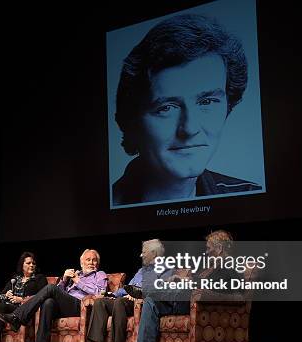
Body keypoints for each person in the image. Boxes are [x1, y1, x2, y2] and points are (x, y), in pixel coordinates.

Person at [112, 13, 261, 206]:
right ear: (132, 122)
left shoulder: (249, 196)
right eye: (166, 108)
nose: (190, 129)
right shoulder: (98, 210)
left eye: (206, 102)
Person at [124, 230, 235, 342]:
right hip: (185, 301)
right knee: (150, 302)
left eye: (208, 248)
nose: (206, 251)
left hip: (202, 306)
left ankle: (146, 292)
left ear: (219, 248)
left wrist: (189, 282)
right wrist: (183, 279)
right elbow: (197, 281)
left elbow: (221, 288)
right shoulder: (209, 267)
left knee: (166, 291)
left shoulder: (229, 266)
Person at [0, 249, 108, 342]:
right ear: (81, 263)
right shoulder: (77, 273)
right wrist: (64, 279)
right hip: (66, 305)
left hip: (81, 306)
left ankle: (17, 317)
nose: (91, 263)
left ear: (98, 263)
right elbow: (59, 291)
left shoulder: (100, 274)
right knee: (48, 303)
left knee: (50, 288)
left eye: (94, 260)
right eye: (88, 260)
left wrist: (78, 281)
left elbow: (99, 293)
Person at [79, 239, 164, 342]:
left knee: (119, 302)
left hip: (139, 302)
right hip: (127, 299)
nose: (143, 256)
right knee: (100, 303)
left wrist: (140, 295)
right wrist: (111, 294)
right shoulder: (141, 271)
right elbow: (127, 288)